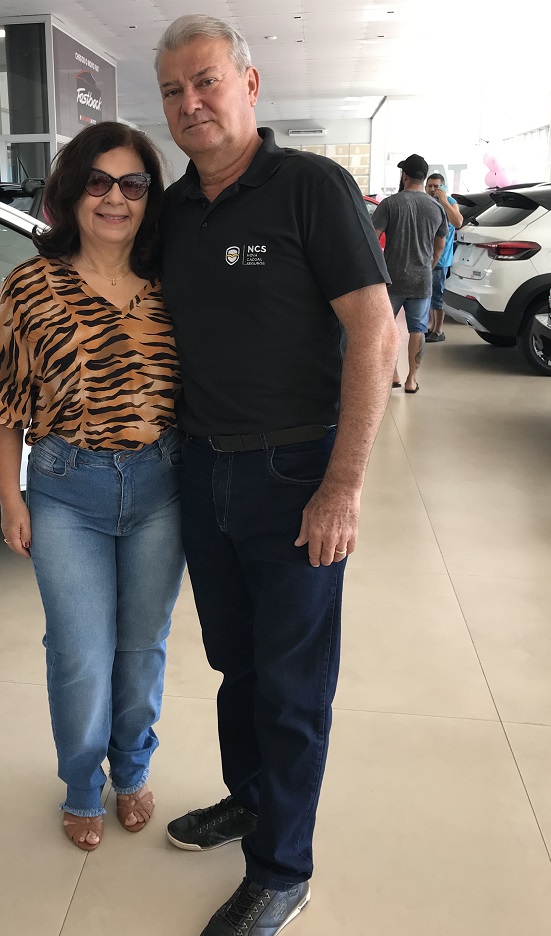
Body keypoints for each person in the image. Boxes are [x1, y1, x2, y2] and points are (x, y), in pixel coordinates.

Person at [154, 15, 400, 936]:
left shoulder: (310, 187)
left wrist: (343, 485)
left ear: (250, 85)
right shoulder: (173, 211)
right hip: (200, 468)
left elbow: (375, 332)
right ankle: (251, 801)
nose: (190, 102)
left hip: (296, 472)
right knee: (237, 664)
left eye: (206, 81)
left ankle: (283, 871)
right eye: (173, 90)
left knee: (293, 686)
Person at [0, 122, 186, 852]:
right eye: (98, 182)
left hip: (161, 486)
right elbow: (1, 403)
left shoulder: (173, 281)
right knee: (79, 651)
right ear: (71, 193)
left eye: (132, 184)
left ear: (150, 197)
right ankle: (81, 784)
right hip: (67, 489)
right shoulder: (28, 287)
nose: (115, 198)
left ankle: (133, 769)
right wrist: (10, 498)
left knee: (143, 644)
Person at [372, 154, 448, 392]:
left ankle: (393, 375)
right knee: (418, 329)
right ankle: (411, 380)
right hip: (421, 281)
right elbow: (440, 245)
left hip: (391, 279)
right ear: (424, 178)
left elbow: (372, 240)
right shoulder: (437, 207)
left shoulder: (389, 204)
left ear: (404, 175)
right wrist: (429, 266)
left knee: (388, 328)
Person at [425, 172, 463, 342]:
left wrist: (444, 201)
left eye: (436, 186)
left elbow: (458, 222)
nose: (433, 189)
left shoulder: (451, 202)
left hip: (441, 258)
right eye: (430, 186)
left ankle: (439, 330)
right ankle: (433, 327)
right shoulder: (426, 202)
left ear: (443, 187)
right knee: (431, 295)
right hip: (426, 256)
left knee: (437, 295)